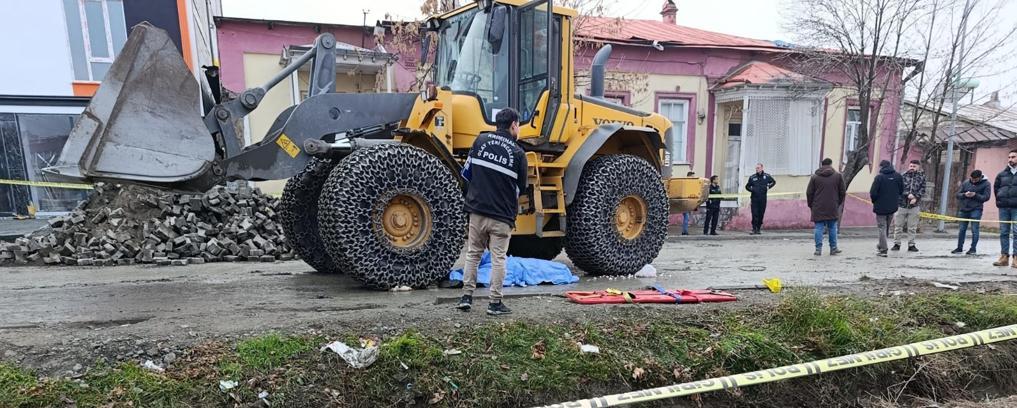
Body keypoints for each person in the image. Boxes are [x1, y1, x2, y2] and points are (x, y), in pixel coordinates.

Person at [456, 108, 528, 316]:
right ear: (513, 125)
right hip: (502, 216)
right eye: (518, 126)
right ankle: (494, 303)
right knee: (498, 259)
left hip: (477, 210)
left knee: (473, 254)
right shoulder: (518, 153)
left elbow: (466, 175)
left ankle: (466, 297)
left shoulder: (480, 142)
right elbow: (521, 188)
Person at [807, 158, 846, 256]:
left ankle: (818, 249)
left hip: (818, 206)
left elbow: (809, 193)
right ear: (831, 164)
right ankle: (833, 248)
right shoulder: (838, 176)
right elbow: (842, 192)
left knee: (818, 227)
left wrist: (811, 204)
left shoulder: (815, 177)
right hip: (832, 205)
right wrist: (838, 203)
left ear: (821, 165)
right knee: (832, 227)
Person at [870, 160, 904, 257]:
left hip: (880, 207)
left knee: (882, 228)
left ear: (881, 167)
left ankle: (883, 249)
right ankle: (881, 245)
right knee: (886, 227)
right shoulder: (898, 176)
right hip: (892, 206)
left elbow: (873, 192)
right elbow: (901, 190)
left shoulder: (879, 177)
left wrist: (875, 201)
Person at [953, 170, 990, 255]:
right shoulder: (966, 182)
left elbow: (986, 197)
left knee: (974, 230)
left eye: (975, 180)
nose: (973, 181)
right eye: (972, 179)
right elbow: (958, 194)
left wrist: (975, 195)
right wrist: (964, 195)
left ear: (980, 178)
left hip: (976, 209)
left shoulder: (986, 184)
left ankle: (973, 249)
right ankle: (959, 248)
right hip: (964, 209)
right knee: (962, 230)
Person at [892, 160, 926, 252]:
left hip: (914, 206)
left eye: (914, 166)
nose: (912, 168)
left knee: (912, 227)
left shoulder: (921, 177)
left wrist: (916, 197)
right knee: (898, 226)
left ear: (918, 167)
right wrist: (907, 194)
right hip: (901, 205)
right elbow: (899, 188)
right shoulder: (903, 176)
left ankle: (911, 245)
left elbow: (923, 190)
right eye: (911, 166)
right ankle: (896, 244)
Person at [993, 149, 1017, 267]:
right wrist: (1000, 200)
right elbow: (996, 188)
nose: (1010, 159)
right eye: (1009, 157)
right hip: (1004, 207)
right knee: (1003, 232)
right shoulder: (1002, 174)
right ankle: (1004, 257)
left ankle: (1016, 258)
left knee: (1016, 232)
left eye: (1013, 157)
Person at [745, 163, 776, 235]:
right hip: (754, 199)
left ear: (762, 168)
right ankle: (754, 228)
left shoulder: (767, 176)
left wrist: (768, 187)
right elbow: (747, 186)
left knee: (761, 214)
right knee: (754, 213)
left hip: (763, 198)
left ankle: (758, 228)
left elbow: (773, 182)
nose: (757, 169)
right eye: (756, 168)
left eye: (758, 168)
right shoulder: (752, 177)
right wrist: (752, 190)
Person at [681, 171, 696, 235]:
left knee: (687, 217)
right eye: (692, 176)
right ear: (689, 176)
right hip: (685, 203)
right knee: (686, 217)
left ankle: (685, 231)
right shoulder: (686, 183)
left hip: (689, 203)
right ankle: (685, 231)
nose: (693, 178)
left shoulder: (691, 184)